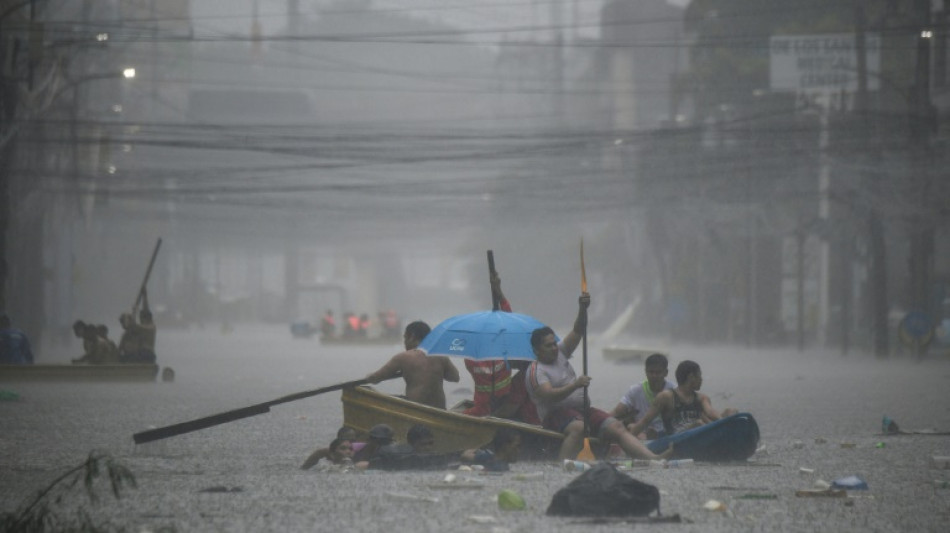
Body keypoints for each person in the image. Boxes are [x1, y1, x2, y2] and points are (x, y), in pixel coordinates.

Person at [525, 291, 672, 461]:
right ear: (536, 350)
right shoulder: (536, 370)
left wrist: (583, 308)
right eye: (548, 346)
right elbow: (548, 395)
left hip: (582, 410)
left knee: (617, 426)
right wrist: (575, 385)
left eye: (554, 344)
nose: (554, 348)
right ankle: (562, 466)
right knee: (579, 428)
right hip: (555, 415)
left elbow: (578, 330)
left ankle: (653, 459)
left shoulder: (561, 352)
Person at [462, 271, 540, 424]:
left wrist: (499, 292)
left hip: (501, 408)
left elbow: (508, 322)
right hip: (484, 409)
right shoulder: (476, 357)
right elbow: (508, 323)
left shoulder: (482, 354)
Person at [626, 360, 738, 438]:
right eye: (699, 376)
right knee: (698, 423)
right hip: (677, 438)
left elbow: (711, 412)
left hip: (702, 431)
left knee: (731, 412)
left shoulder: (702, 398)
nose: (701, 380)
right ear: (691, 377)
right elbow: (645, 421)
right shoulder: (666, 397)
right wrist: (628, 440)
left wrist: (725, 422)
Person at [366, 321, 460, 409]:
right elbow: (455, 377)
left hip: (415, 410)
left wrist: (369, 376)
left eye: (405, 338)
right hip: (439, 411)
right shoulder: (441, 356)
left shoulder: (403, 357)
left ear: (412, 336)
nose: (404, 342)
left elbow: (375, 378)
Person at [610, 353, 675, 439]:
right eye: (651, 372)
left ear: (666, 373)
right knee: (632, 428)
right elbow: (616, 412)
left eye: (658, 372)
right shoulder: (635, 390)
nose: (654, 376)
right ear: (645, 372)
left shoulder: (674, 390)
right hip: (641, 431)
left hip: (668, 432)